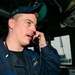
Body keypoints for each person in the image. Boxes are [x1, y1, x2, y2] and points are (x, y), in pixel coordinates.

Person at [0, 3, 60, 75]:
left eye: (35, 26)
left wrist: (44, 45)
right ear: (11, 23)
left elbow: (52, 72)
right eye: (28, 23)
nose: (34, 29)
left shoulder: (33, 56)